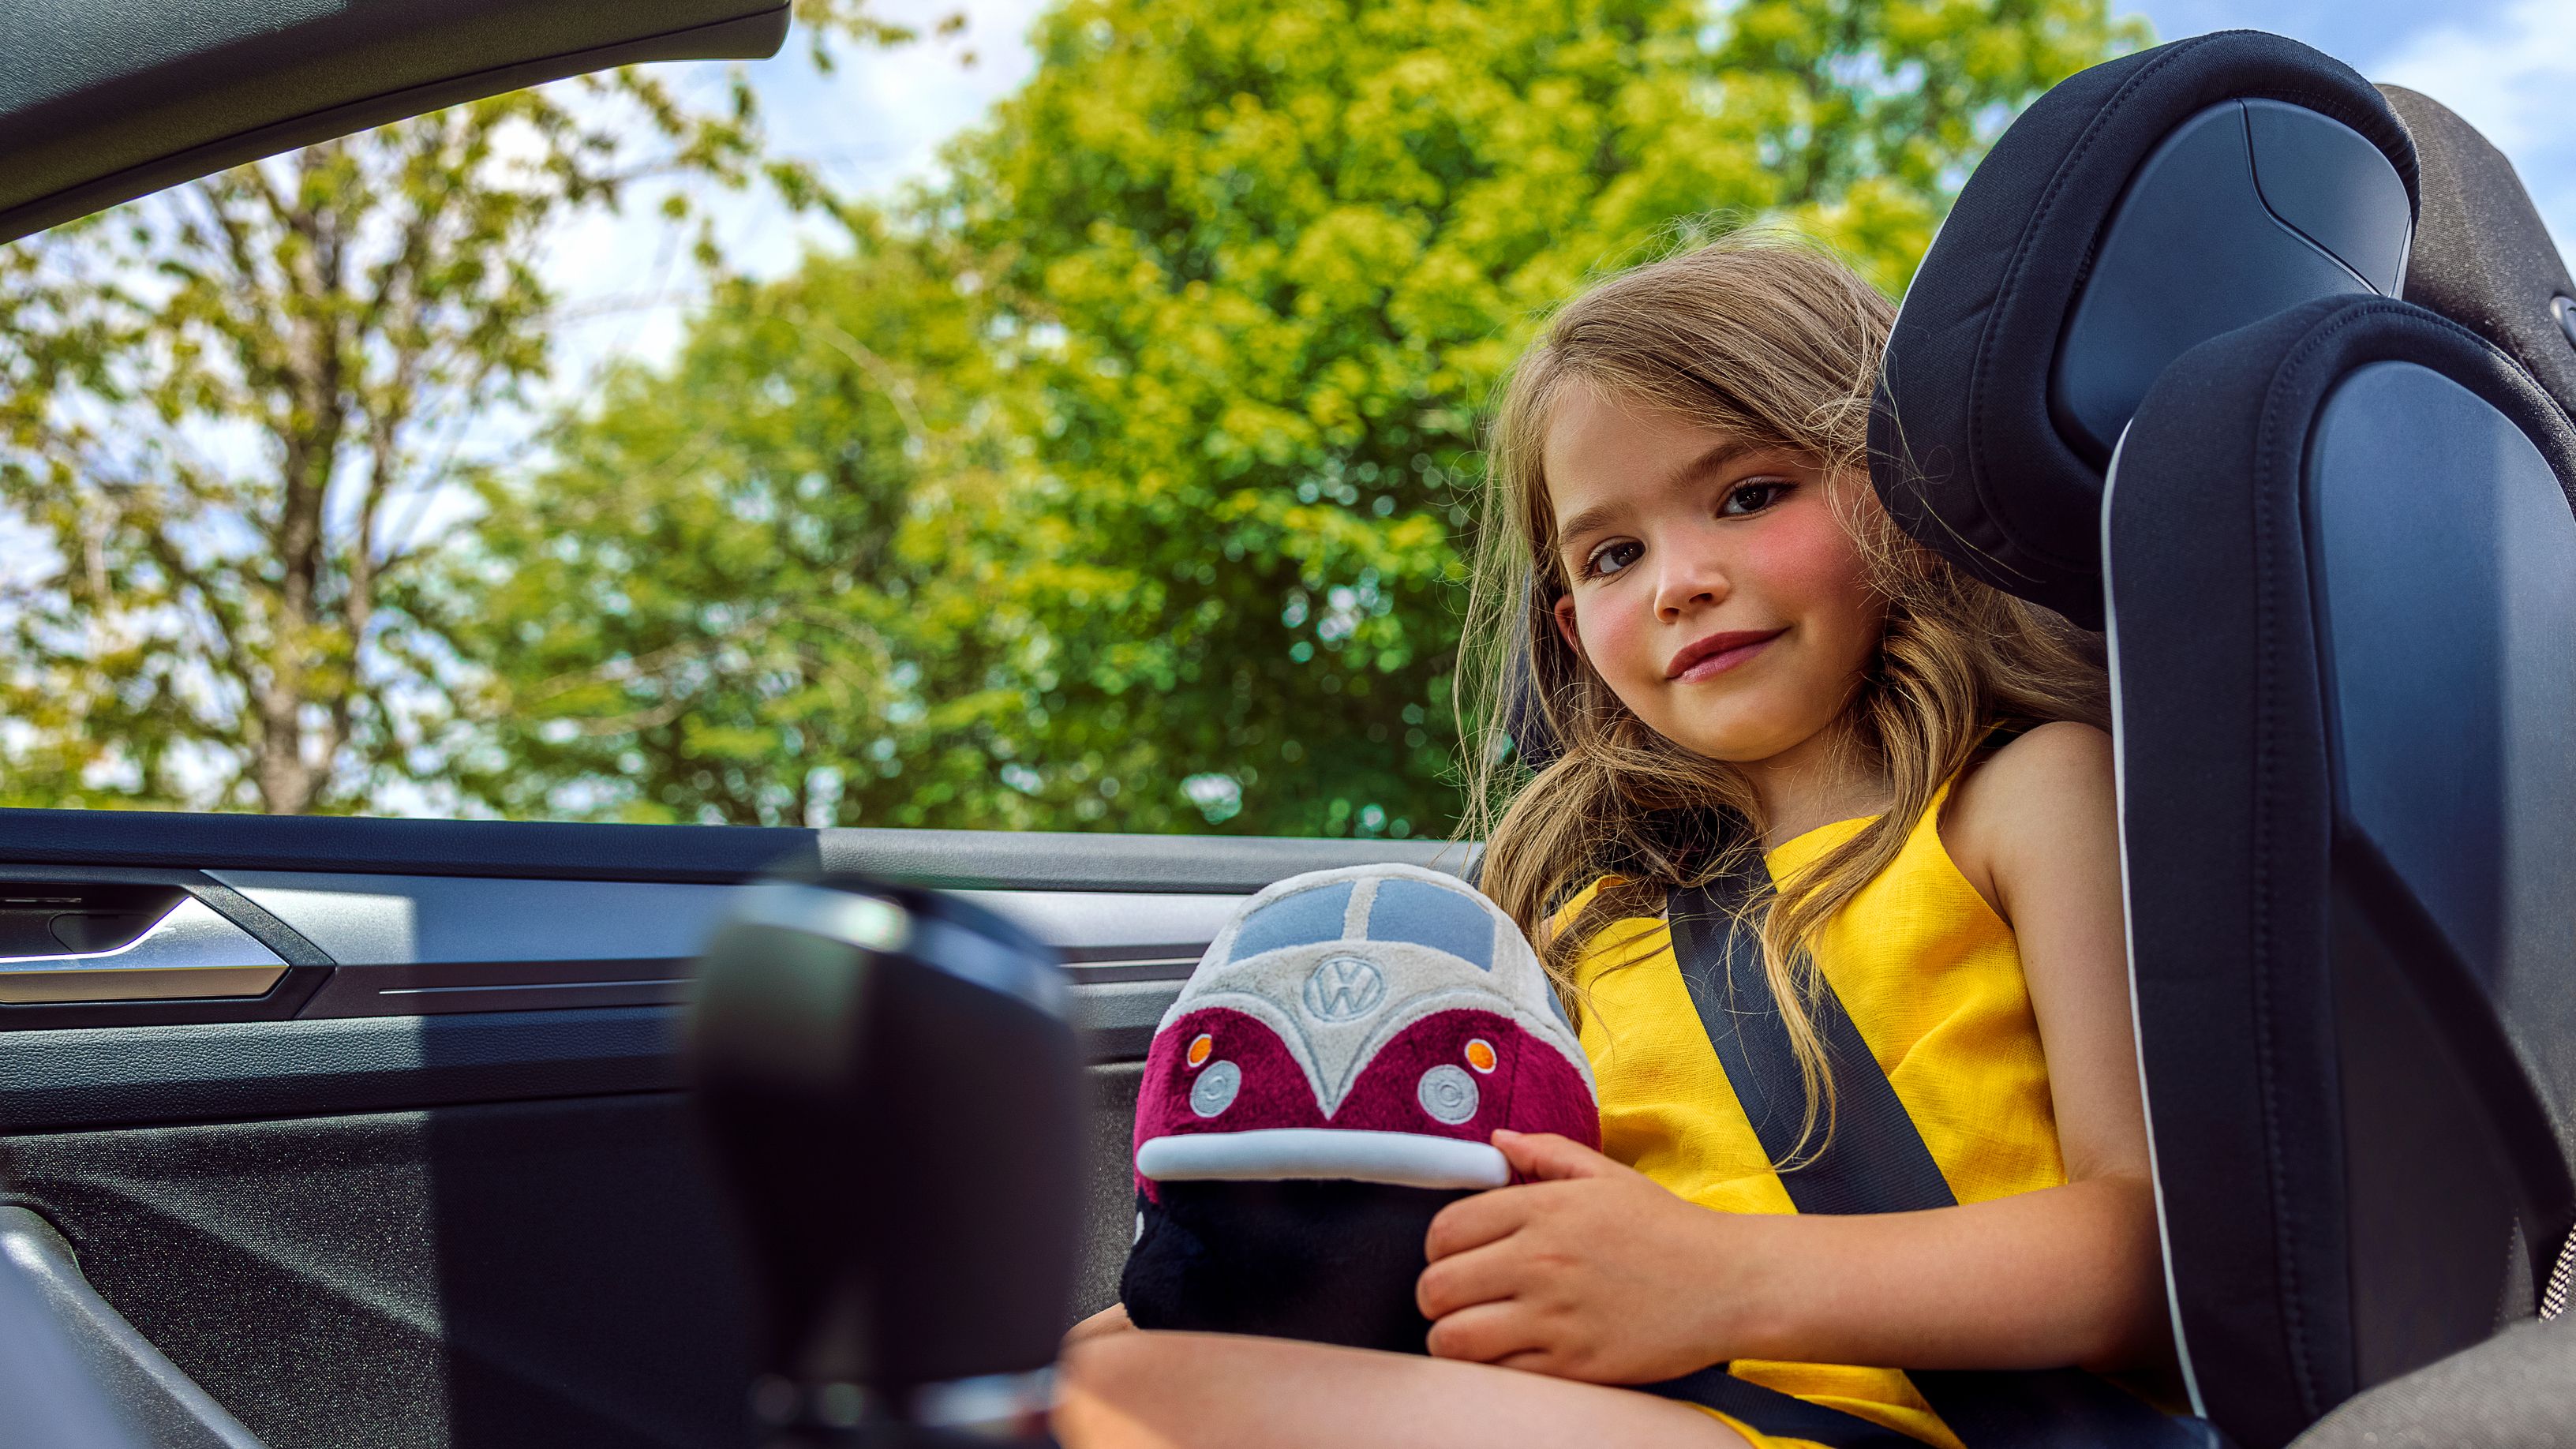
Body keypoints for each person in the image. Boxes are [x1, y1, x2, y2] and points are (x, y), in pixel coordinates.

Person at [1053, 234, 2166, 1449]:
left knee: (1118, 1404)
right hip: (1612, 1406)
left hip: (1903, 1426)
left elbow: (2157, 1254)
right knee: (1041, 1378)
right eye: (1614, 554)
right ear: (1573, 630)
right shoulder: (1583, 918)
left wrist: (1729, 1280)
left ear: (1894, 488)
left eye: (1749, 495)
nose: (1680, 581)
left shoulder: (2024, 798)